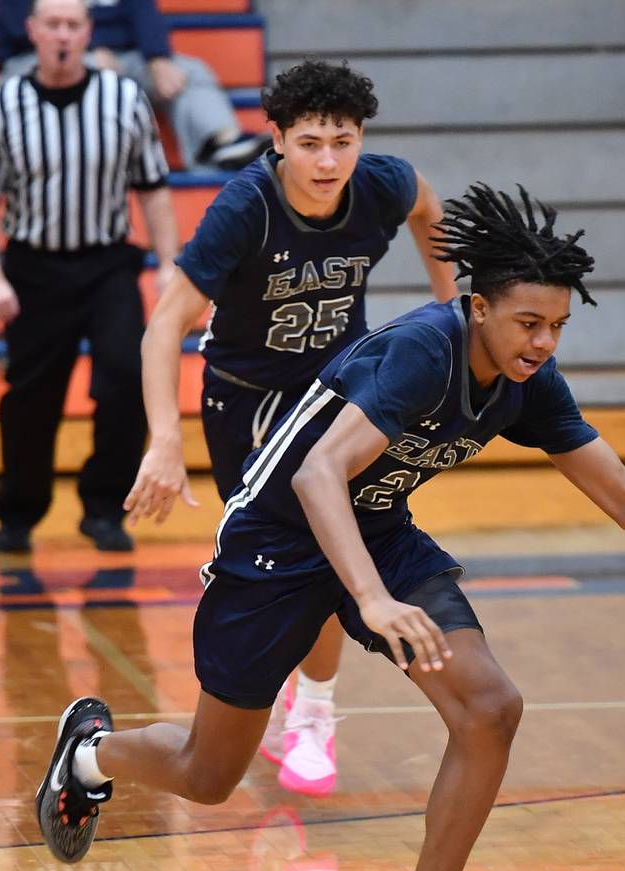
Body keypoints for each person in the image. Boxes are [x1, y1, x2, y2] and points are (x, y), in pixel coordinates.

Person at [34, 183, 625, 871]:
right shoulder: (426, 349)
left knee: (491, 707)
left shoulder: (533, 384)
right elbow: (318, 474)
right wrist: (373, 602)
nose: (543, 342)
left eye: (558, 326)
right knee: (208, 777)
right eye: (528, 323)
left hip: (378, 529)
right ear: (476, 305)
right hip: (276, 543)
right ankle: (91, 754)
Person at [123, 59, 457, 798]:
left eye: (343, 140)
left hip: (340, 390)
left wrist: (449, 309)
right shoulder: (245, 209)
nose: (328, 160)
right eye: (310, 142)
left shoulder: (385, 183)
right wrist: (164, 438)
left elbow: (430, 211)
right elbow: (164, 325)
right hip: (247, 401)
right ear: (276, 139)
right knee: (288, 556)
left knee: (323, 542)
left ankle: (312, 710)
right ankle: (287, 700)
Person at [0, 0, 177, 555]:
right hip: (33, 268)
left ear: (88, 32)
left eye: (73, 24)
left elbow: (153, 189)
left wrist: (169, 266)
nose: (62, 34)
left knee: (127, 376)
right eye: (51, 24)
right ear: (32, 32)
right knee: (32, 398)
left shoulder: (124, 98)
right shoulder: (3, 103)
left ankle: (105, 508)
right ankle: (18, 512)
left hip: (108, 263)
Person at [0, 0, 271, 171]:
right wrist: (87, 50)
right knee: (13, 84)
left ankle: (219, 142)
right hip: (39, 57)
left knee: (188, 71)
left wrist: (156, 56)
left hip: (123, 58)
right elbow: (19, 28)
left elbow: (143, 12)